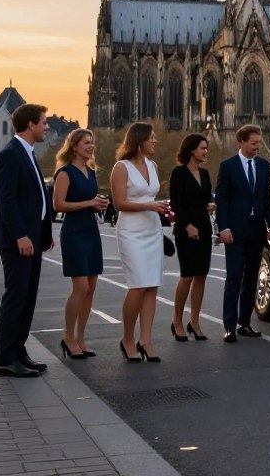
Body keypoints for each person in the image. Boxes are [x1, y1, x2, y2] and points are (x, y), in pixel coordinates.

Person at [0, 103, 53, 378]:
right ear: (30, 125)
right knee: (16, 298)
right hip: (18, 240)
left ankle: (18, 351)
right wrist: (20, 235)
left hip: (32, 238)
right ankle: (6, 359)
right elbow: (7, 201)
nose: (47, 127)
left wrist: (44, 234)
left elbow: (35, 197)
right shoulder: (11, 154)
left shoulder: (27, 152)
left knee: (27, 299)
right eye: (44, 122)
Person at [111, 122, 170, 362]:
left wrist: (162, 207)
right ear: (139, 140)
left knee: (151, 286)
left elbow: (150, 197)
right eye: (151, 137)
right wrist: (149, 206)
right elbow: (119, 203)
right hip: (131, 231)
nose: (155, 141)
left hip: (152, 229)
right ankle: (127, 339)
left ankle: (146, 341)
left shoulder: (152, 165)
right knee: (137, 286)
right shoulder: (121, 167)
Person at [215, 124, 270, 343]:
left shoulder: (263, 165)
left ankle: (244, 323)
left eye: (258, 142)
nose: (257, 147)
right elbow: (221, 199)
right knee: (234, 277)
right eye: (253, 143)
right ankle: (229, 326)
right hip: (235, 230)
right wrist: (224, 228)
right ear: (240, 142)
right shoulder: (228, 166)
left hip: (256, 229)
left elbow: (267, 197)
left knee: (251, 277)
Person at [52, 129, 109, 359]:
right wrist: (89, 203)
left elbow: (89, 202)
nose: (91, 146)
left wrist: (98, 205)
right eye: (86, 143)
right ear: (74, 146)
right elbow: (58, 205)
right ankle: (68, 337)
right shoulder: (65, 173)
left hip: (91, 231)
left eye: (92, 142)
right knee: (81, 287)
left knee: (91, 288)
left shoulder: (91, 172)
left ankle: (81, 338)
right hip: (74, 233)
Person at [169, 133, 215, 341]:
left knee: (201, 276)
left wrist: (210, 206)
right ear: (191, 150)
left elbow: (203, 200)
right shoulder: (179, 173)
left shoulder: (204, 173)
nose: (206, 152)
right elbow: (176, 203)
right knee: (187, 276)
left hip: (204, 228)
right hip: (185, 229)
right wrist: (187, 225)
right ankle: (177, 321)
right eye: (203, 148)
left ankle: (194, 322)